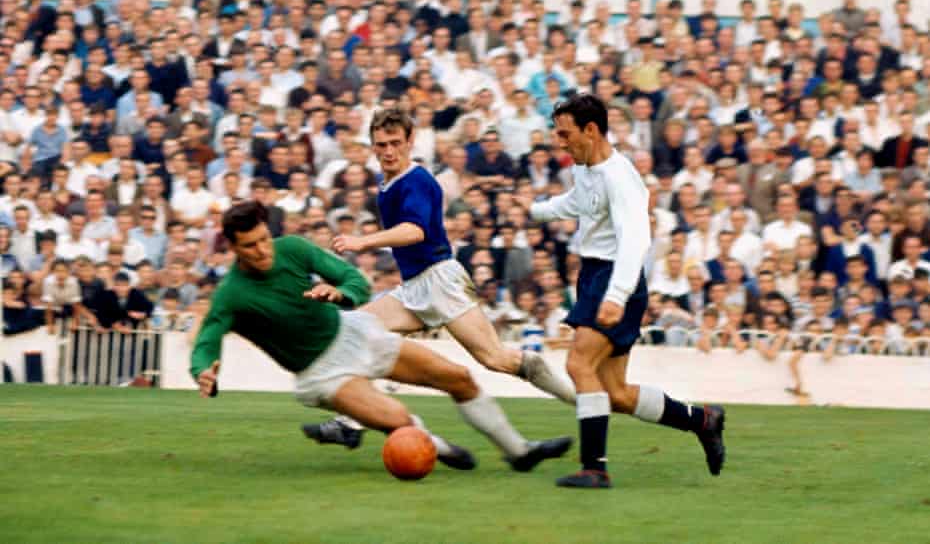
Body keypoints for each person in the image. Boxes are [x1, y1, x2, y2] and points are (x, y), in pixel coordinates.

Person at [191, 201, 571, 472]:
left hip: (354, 334)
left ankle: (519, 452)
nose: (262, 251)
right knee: (399, 419)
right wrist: (203, 371)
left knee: (459, 378)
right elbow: (207, 341)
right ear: (232, 248)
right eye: (250, 246)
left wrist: (341, 294)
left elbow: (353, 279)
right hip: (323, 374)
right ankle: (438, 448)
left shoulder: (291, 248)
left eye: (263, 239)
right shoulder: (231, 294)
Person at [306, 108, 575, 443]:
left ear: (410, 141)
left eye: (395, 143)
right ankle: (350, 422)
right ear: (373, 146)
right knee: (358, 330)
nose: (388, 151)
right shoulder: (386, 184)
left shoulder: (417, 180)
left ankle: (579, 399)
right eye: (381, 144)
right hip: (413, 287)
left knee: (496, 358)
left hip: (440, 281)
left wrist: (363, 241)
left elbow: (415, 231)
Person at [517, 94, 726, 488]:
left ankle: (595, 469)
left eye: (565, 134)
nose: (560, 142)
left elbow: (636, 240)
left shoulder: (620, 176)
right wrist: (535, 210)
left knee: (579, 365)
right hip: (596, 275)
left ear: (591, 130)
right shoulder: (587, 169)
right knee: (616, 394)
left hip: (614, 277)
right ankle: (703, 420)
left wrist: (616, 294)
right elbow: (578, 203)